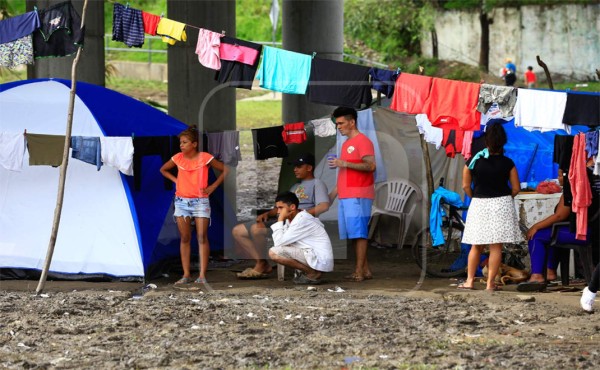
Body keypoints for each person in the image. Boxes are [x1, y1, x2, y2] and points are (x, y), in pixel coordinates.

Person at [231, 153, 330, 279]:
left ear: (309, 168)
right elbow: (282, 206)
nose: (295, 169)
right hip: (283, 219)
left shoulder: (317, 184)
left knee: (257, 229)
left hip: (296, 223)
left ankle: (261, 265)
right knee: (237, 231)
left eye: (299, 166)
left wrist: (299, 215)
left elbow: (324, 206)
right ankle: (262, 262)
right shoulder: (295, 186)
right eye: (294, 166)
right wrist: (267, 213)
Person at [160, 126, 228, 284]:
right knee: (185, 237)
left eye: (184, 142)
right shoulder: (177, 158)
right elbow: (163, 170)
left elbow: (225, 170)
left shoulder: (205, 158)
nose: (181, 145)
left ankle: (202, 276)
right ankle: (186, 275)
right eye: (180, 143)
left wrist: (213, 186)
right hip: (181, 202)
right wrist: (177, 181)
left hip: (200, 202)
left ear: (194, 144)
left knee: (202, 237)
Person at [459, 123, 522, 291]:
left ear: (486, 141)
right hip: (502, 204)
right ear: (503, 142)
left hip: (480, 204)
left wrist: (476, 197)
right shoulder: (508, 163)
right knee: (496, 247)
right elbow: (516, 188)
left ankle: (470, 281)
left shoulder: (473, 162)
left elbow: (466, 186)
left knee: (476, 245)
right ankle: (490, 284)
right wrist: (505, 198)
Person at [328, 106, 376, 282]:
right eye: (337, 124)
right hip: (347, 194)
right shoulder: (347, 143)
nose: (338, 127)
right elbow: (344, 173)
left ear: (352, 122)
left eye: (341, 123)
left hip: (359, 194)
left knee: (359, 234)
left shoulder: (363, 141)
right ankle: (365, 269)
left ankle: (359, 271)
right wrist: (332, 195)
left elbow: (370, 166)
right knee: (354, 233)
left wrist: (344, 163)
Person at [517, 171, 570, 291]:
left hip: (581, 233)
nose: (558, 178)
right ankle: (550, 270)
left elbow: (559, 216)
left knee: (536, 235)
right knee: (551, 233)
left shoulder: (571, 190)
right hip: (583, 230)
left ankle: (537, 275)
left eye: (561, 175)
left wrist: (535, 226)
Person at [268, 192, 334, 284]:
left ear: (292, 207)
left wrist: (280, 220)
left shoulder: (302, 220)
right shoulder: (293, 218)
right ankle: (309, 272)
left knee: (274, 253)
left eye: (281, 208)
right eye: (277, 208)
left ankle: (312, 273)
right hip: (311, 254)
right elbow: (283, 241)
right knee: (281, 248)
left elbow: (278, 243)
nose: (278, 212)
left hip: (319, 258)